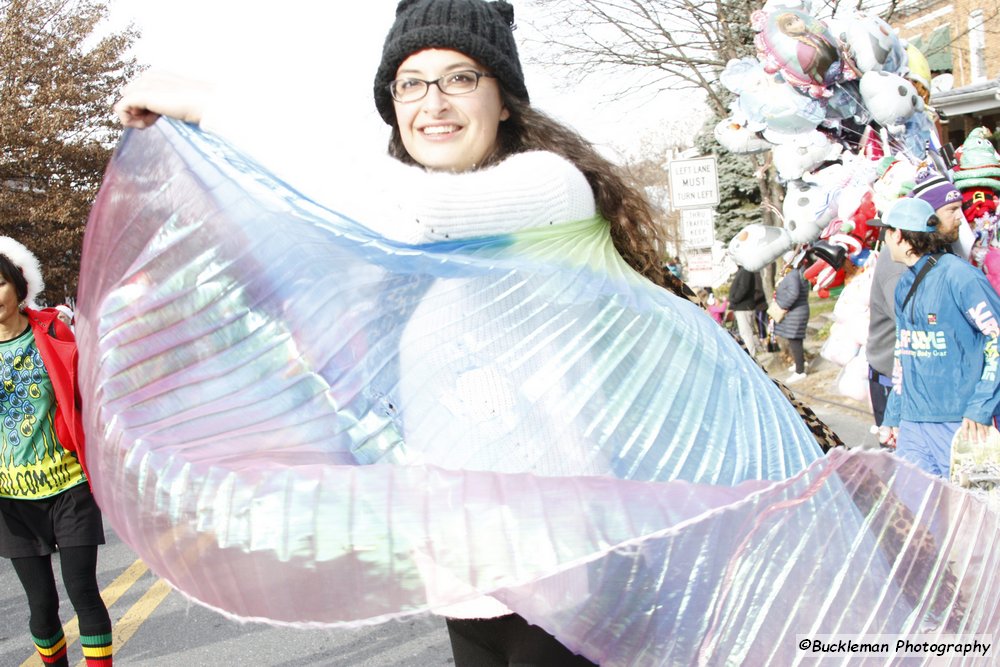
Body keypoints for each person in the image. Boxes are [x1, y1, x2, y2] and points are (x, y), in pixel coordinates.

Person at [0, 237, 113, 667]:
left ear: (18, 286)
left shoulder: (54, 331)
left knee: (82, 588)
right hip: (12, 500)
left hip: (70, 485)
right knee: (42, 607)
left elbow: (96, 387)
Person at [878, 198, 1000, 477]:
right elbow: (903, 352)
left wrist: (981, 405)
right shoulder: (904, 284)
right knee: (918, 511)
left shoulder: (960, 277)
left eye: (885, 232)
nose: (884, 239)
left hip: (959, 422)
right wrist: (895, 413)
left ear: (897, 234)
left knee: (972, 512)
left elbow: (997, 338)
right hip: (913, 423)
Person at [867, 167, 964, 446]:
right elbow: (915, 329)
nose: (960, 217)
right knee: (909, 466)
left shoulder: (943, 252)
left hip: (926, 378)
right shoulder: (900, 263)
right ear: (928, 217)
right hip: (895, 377)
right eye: (952, 210)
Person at [772, 251, 811, 383]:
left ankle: (800, 370)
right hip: (797, 311)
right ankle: (799, 363)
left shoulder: (794, 275)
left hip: (795, 312)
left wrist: (783, 305)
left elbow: (793, 293)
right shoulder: (800, 273)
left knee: (795, 341)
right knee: (794, 341)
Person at [728, 266, 765, 357]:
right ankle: (754, 353)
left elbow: (743, 288)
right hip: (743, 306)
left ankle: (752, 356)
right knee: (747, 333)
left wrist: (734, 299)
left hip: (743, 307)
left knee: (746, 333)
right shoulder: (744, 270)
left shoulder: (746, 271)